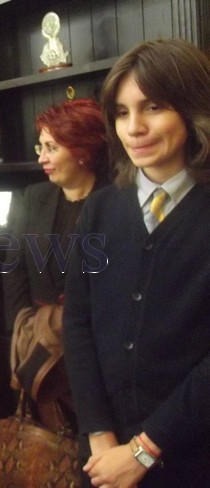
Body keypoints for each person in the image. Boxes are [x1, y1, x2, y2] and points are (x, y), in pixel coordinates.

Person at [63, 38, 210, 487]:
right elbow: (78, 323)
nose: (134, 128)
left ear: (192, 111)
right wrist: (99, 434)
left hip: (190, 457)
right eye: (122, 112)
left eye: (153, 107)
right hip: (103, 455)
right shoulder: (100, 209)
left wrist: (144, 450)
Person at [3, 98, 109, 433]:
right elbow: (15, 265)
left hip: (96, 348)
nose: (41, 158)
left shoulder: (116, 201)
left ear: (83, 151)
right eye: (41, 146)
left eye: (51, 147)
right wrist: (22, 328)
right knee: (48, 435)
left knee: (93, 436)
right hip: (40, 344)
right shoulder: (34, 197)